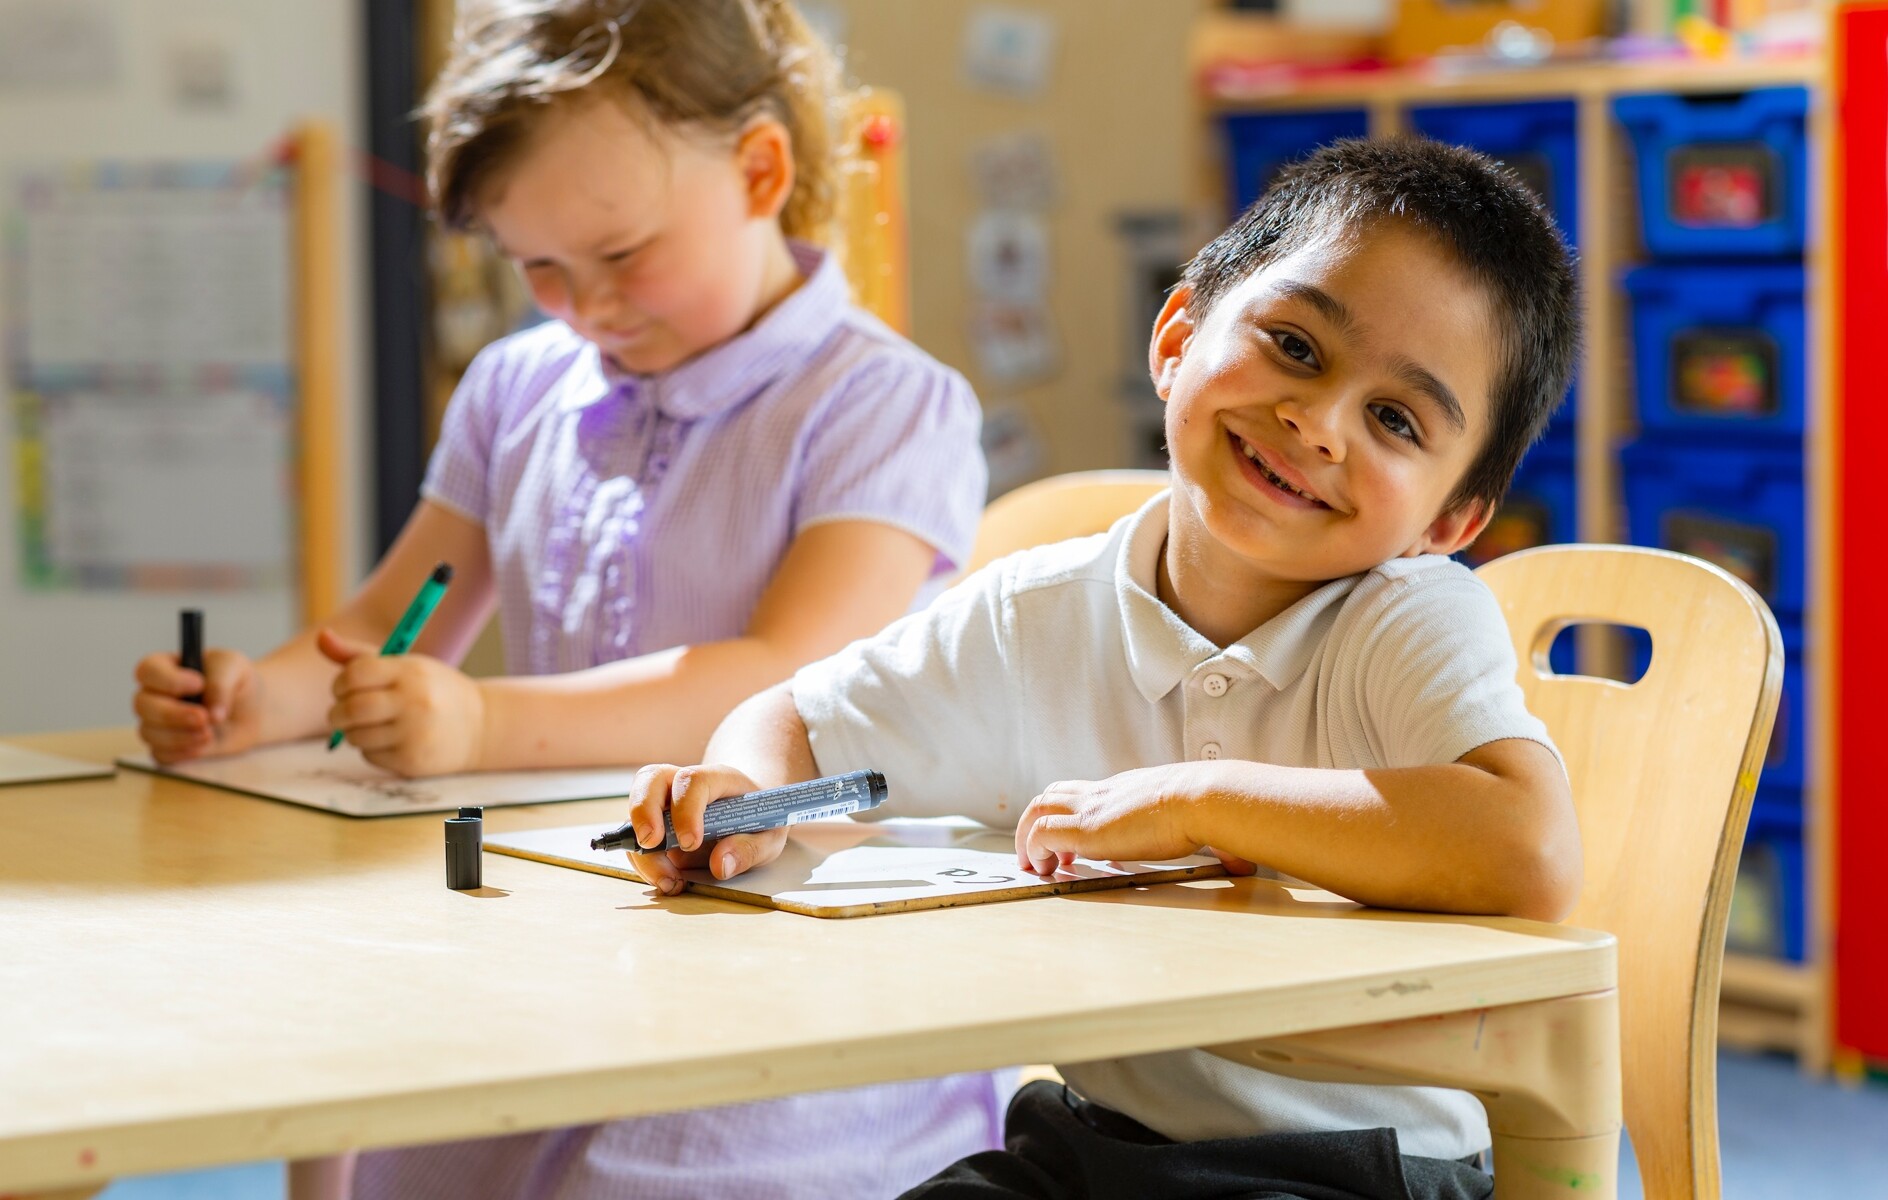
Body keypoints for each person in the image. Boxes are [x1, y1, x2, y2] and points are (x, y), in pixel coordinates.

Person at [131, 1, 1004, 1195]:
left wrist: (480, 722)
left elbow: (784, 679)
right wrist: (251, 701)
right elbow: (389, 622)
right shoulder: (514, 386)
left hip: (784, 954)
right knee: (407, 1142)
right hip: (554, 920)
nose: (585, 305)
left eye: (623, 254)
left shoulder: (884, 403)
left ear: (759, 172)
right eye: (536, 265)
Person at [624, 137, 1584, 1200]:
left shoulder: (1409, 619)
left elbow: (1528, 850)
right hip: (1095, 1145)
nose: (1315, 425)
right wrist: (749, 797)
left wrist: (1196, 803)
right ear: (1176, 338)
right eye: (1295, 347)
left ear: (1448, 521)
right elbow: (795, 721)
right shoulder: (1030, 613)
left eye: (1394, 420)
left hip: (1351, 1170)